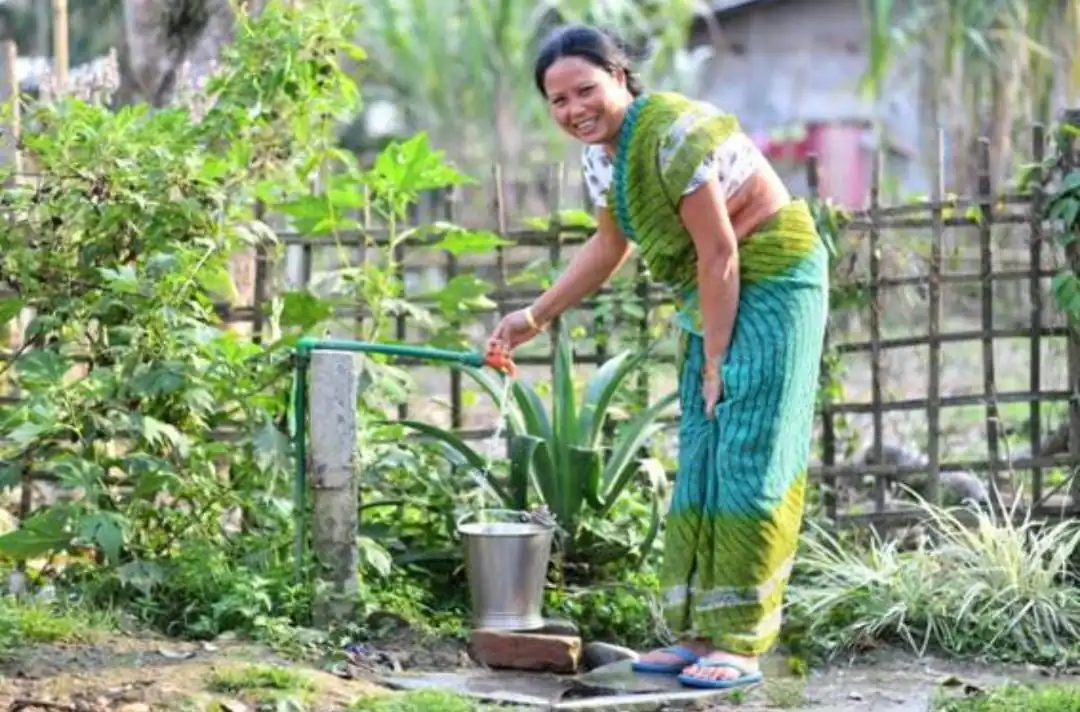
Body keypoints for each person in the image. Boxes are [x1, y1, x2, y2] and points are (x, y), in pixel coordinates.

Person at [485, 24, 828, 691]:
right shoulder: (603, 160)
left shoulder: (671, 134)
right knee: (701, 454)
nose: (574, 109)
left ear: (619, 76)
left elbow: (720, 250)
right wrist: (533, 317)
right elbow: (607, 248)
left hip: (774, 276)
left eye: (586, 90)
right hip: (715, 289)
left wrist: (715, 360)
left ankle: (742, 643)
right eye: (558, 101)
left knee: (748, 452)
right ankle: (697, 634)